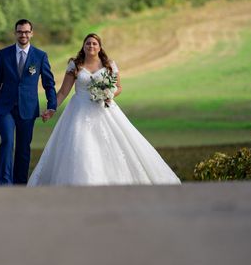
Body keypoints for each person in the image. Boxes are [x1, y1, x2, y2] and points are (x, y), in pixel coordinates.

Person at [28, 33, 181, 186]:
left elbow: (119, 87)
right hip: (79, 111)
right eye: (88, 43)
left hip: (104, 109)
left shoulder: (108, 64)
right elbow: (63, 92)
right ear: (83, 46)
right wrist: (51, 109)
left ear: (100, 47)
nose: (91, 46)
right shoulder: (75, 65)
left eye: (94, 43)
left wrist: (110, 94)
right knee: (81, 144)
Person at [0, 19, 57, 185]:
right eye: (20, 32)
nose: (23, 35)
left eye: (26, 32)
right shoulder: (3, 54)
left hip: (28, 108)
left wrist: (51, 106)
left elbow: (49, 83)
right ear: (15, 33)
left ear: (31, 33)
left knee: (23, 148)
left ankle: (19, 185)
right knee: (7, 142)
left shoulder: (40, 56)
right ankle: (4, 183)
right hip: (5, 108)